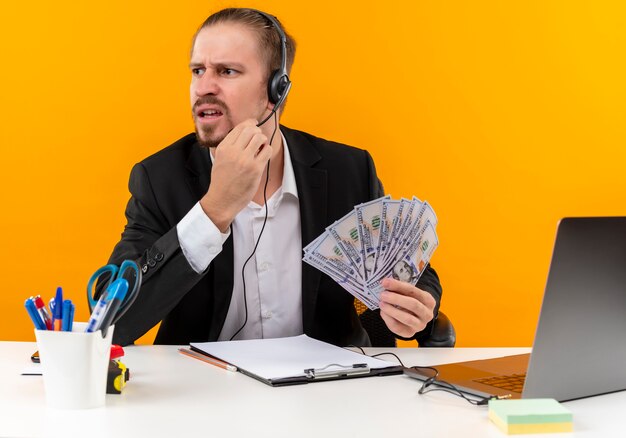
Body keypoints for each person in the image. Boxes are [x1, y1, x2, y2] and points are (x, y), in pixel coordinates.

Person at [103, 7, 443, 347]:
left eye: (227, 71)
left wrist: (414, 308)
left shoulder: (348, 170)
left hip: (326, 386)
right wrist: (213, 211)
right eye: (197, 71)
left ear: (276, 90)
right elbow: (112, 321)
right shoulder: (161, 179)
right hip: (206, 389)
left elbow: (413, 272)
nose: (204, 87)